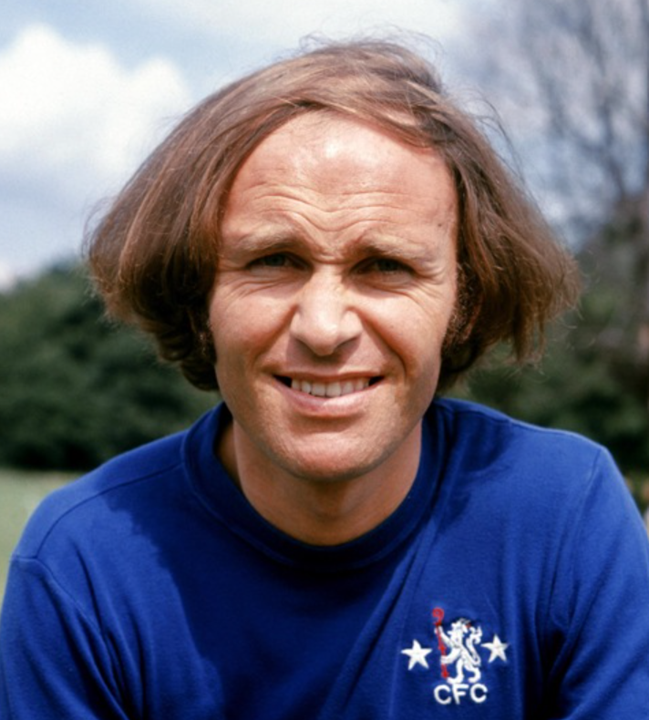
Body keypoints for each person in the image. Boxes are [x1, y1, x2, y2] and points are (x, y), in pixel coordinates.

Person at [1, 37, 648, 719]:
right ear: (197, 298)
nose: (323, 326)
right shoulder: (83, 567)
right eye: (274, 260)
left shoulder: (565, 516)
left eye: (386, 266)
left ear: (465, 302)